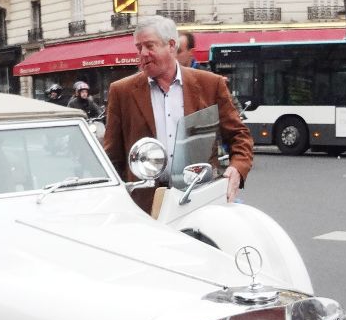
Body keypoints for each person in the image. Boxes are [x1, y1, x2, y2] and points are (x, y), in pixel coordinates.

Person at [103, 15, 252, 212]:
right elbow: (112, 156)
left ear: (171, 46)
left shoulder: (210, 84)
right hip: (144, 206)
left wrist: (237, 169)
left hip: (198, 199)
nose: (143, 53)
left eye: (149, 46)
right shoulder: (121, 91)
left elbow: (239, 135)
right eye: (139, 48)